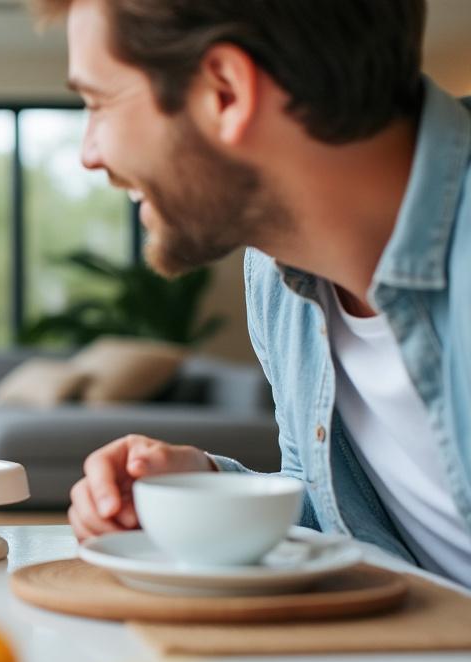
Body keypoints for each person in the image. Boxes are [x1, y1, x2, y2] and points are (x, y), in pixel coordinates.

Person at [34, 0, 471, 585]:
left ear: (226, 91)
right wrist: (205, 487)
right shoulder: (278, 273)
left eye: (98, 103)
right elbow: (343, 520)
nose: (91, 155)